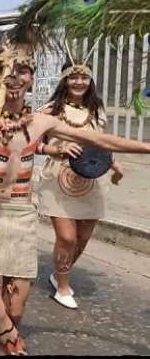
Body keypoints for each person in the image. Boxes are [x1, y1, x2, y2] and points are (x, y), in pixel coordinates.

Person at [0, 42, 150, 355]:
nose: (15, 77)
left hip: (22, 217)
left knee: (13, 311)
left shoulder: (41, 122)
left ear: (31, 78)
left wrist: (146, 148)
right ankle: (15, 348)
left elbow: (99, 139)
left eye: (23, 71)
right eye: (6, 71)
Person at [36, 60, 124, 310]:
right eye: (73, 77)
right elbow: (32, 143)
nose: (79, 82)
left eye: (84, 77)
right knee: (66, 238)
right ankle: (62, 286)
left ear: (90, 81)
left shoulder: (97, 109)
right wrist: (57, 148)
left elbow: (100, 143)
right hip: (58, 179)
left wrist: (114, 163)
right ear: (64, 80)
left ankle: (58, 273)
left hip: (92, 179)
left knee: (83, 237)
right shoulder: (51, 110)